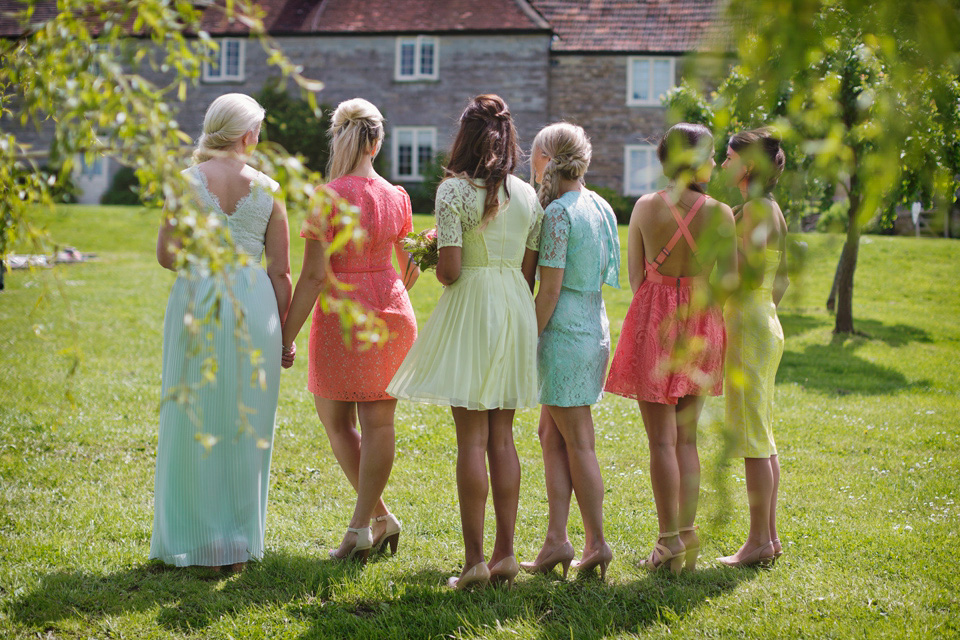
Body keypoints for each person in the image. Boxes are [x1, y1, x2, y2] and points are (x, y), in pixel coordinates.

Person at [387, 95, 543, 590]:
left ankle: (475, 561)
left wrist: (433, 256)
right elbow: (527, 271)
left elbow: (451, 271)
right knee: (504, 436)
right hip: (515, 307)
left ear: (465, 137)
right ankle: (505, 555)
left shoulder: (455, 192)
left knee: (471, 438)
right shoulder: (529, 195)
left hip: (473, 306)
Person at [151, 93, 292, 570]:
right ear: (249, 135)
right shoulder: (269, 189)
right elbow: (281, 273)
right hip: (255, 304)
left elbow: (168, 255)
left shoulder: (185, 183)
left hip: (199, 296)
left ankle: (192, 538)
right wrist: (286, 337)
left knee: (192, 414)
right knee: (247, 422)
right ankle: (235, 544)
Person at [281, 98, 419, 562]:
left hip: (343, 316)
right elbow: (409, 262)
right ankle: (377, 518)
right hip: (393, 311)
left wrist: (287, 334)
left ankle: (363, 524)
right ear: (377, 142)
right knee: (378, 422)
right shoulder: (398, 195)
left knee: (336, 420)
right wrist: (395, 289)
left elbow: (314, 276)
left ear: (339, 138)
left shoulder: (328, 196)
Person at [604, 123, 737, 575]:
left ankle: (667, 543)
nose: (717, 163)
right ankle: (687, 533)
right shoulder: (722, 213)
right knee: (686, 439)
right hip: (702, 322)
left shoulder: (645, 207)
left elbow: (637, 278)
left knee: (660, 440)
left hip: (655, 323)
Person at [521, 123, 620, 581]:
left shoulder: (559, 213)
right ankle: (556, 540)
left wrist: (526, 340)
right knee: (551, 434)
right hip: (594, 328)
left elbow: (549, 291)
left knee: (578, 441)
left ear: (546, 159)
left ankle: (596, 542)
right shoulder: (599, 205)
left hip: (564, 335)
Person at [717, 128, 789, 568]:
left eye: (728, 157)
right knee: (761, 433)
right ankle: (769, 537)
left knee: (751, 436)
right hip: (763, 319)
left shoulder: (754, 211)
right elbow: (779, 280)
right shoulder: (768, 208)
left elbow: (739, 273)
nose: (723, 164)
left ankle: (758, 541)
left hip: (748, 323)